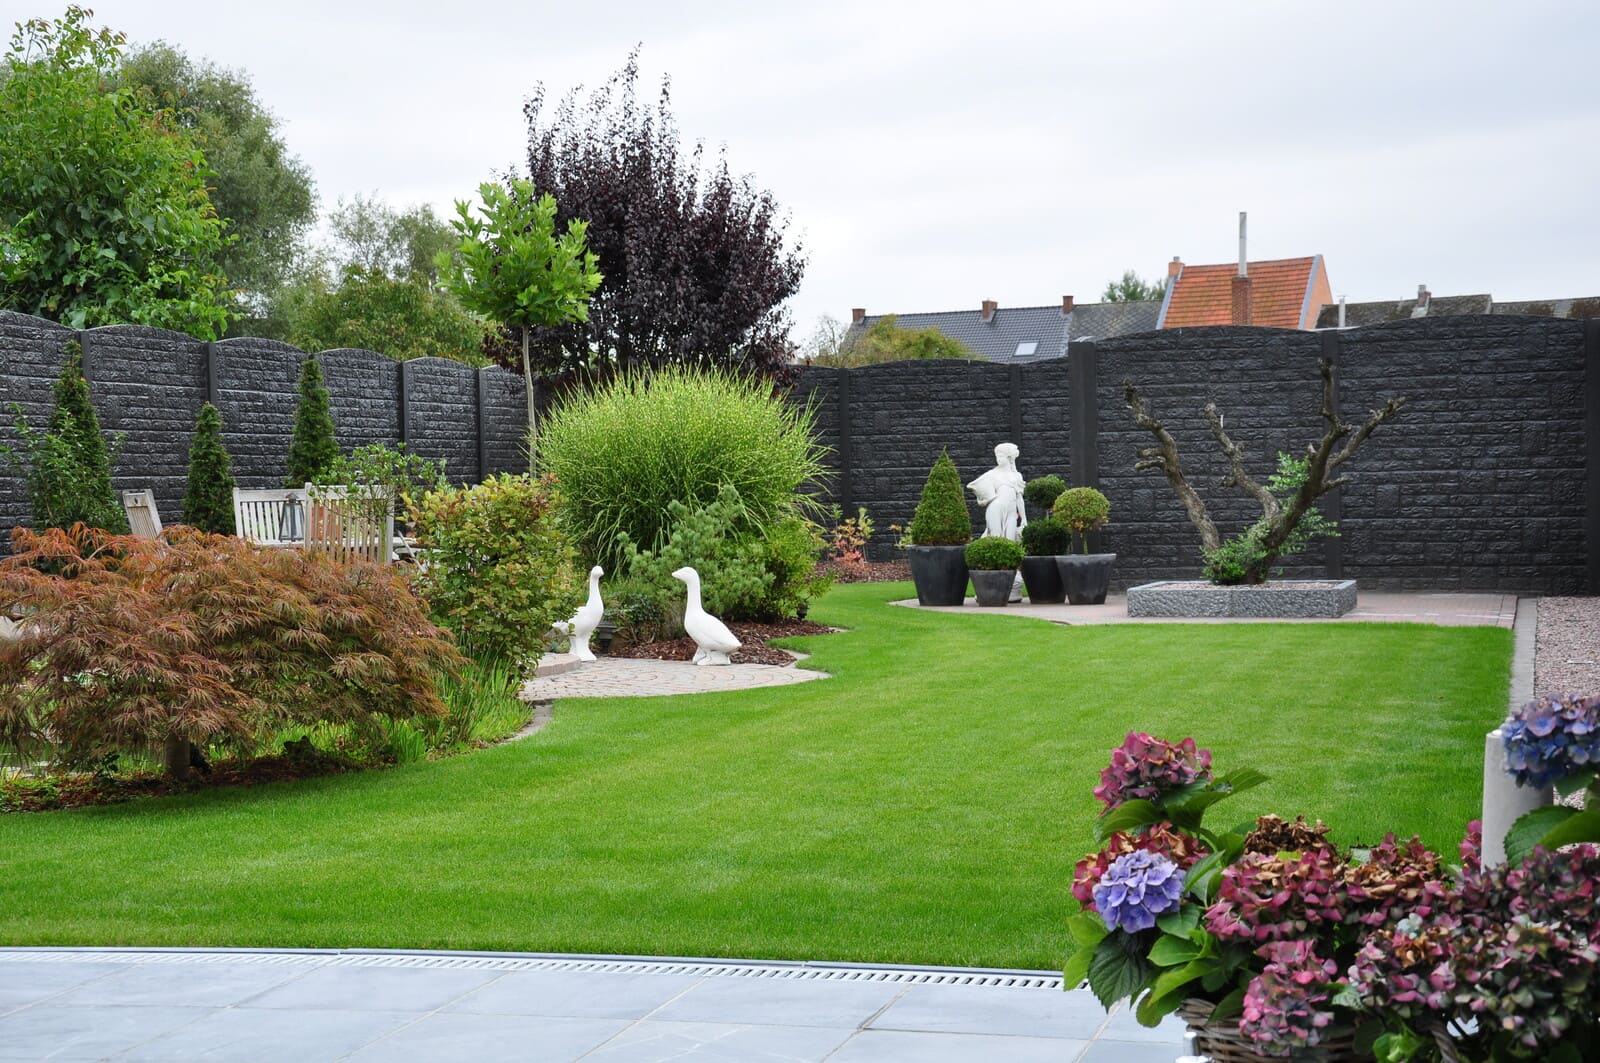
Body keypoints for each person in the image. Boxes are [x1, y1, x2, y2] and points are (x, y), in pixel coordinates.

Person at [967, 442, 1028, 541]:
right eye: (997, 457)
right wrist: (984, 498)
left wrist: (1024, 518)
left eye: (1000, 456)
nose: (998, 459)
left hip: (1012, 512)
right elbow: (975, 486)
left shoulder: (1017, 476)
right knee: (996, 537)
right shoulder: (992, 474)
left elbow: (1019, 499)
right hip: (996, 508)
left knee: (1011, 540)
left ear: (1009, 457)